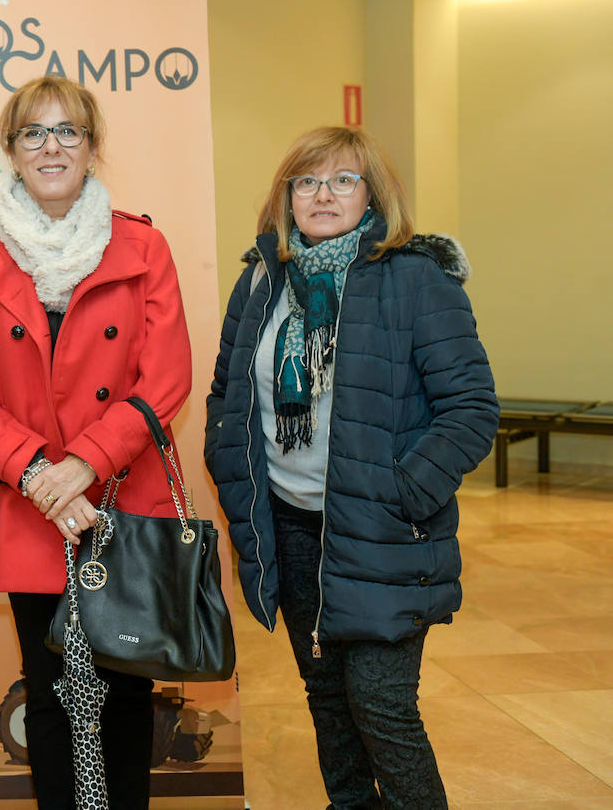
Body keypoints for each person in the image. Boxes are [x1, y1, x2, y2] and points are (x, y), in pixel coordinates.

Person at [205, 126, 498, 809]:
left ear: (373, 194)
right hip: (292, 530)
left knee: (383, 710)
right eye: (306, 181)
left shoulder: (414, 279)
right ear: (287, 198)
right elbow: (228, 394)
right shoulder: (261, 281)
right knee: (329, 703)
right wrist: (236, 476)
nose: (323, 195)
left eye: (343, 179)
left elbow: (472, 408)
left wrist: (402, 492)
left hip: (383, 533)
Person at [0, 75, 193, 809]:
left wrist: (82, 466)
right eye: (32, 134)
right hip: (29, 505)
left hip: (121, 497)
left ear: (92, 146)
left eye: (68, 132)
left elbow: (166, 376)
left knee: (126, 690)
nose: (51, 147)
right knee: (47, 694)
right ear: (11, 152)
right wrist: (43, 478)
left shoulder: (143, 244)